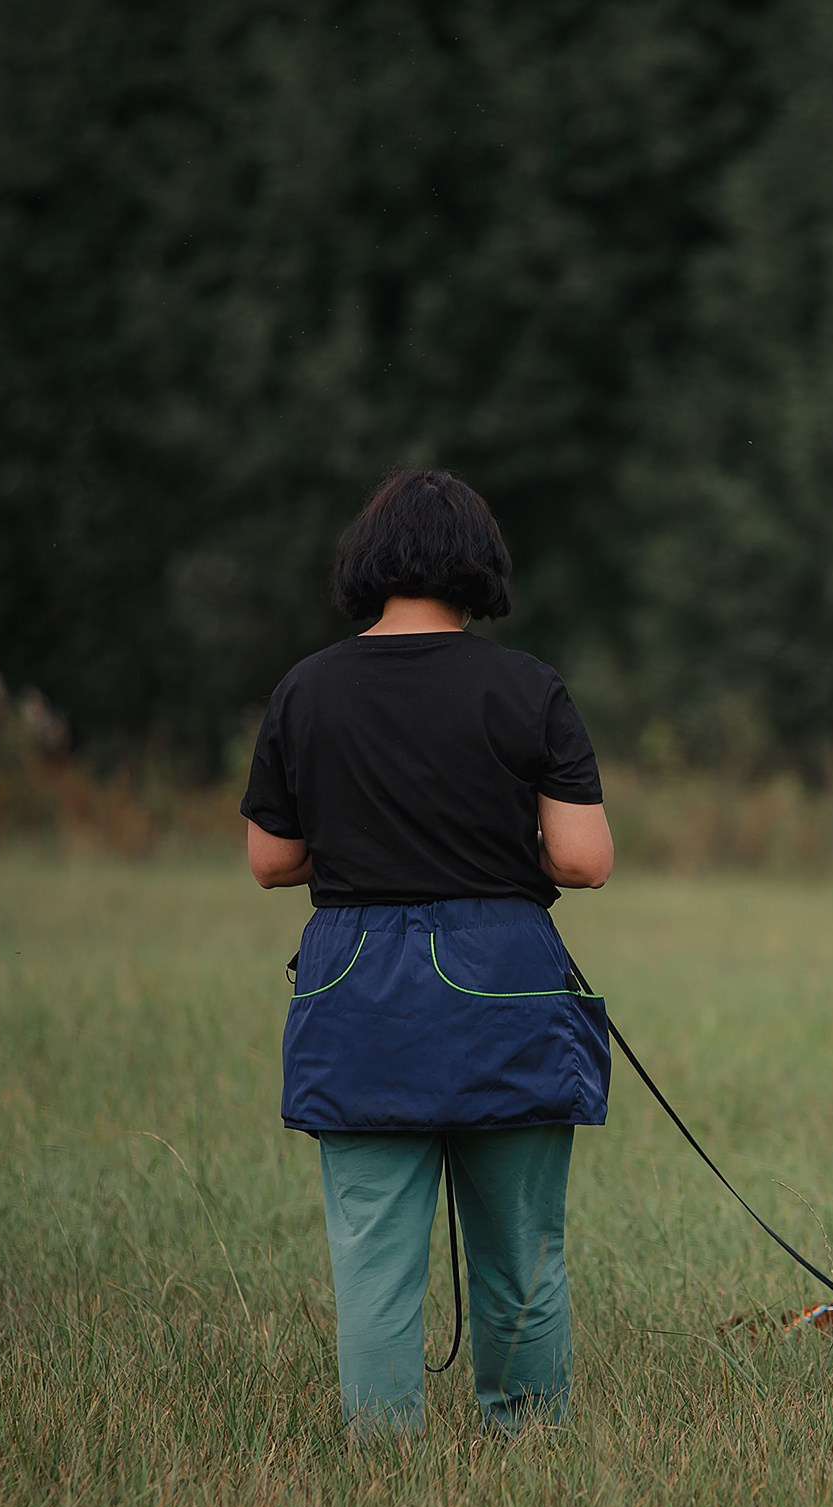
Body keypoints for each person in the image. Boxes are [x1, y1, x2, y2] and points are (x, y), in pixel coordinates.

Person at [240, 468, 614, 1440]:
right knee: (522, 1249)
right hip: (503, 974)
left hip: (352, 977)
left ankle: (382, 1450)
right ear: (480, 568)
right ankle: (527, 1441)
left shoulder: (304, 688)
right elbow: (583, 860)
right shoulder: (527, 686)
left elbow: (271, 861)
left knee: (371, 1251)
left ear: (367, 563)